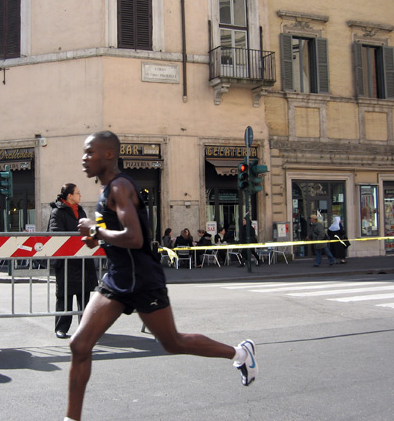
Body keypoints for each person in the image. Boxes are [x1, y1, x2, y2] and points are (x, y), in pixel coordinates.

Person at [66, 131, 257, 421]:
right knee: (79, 345)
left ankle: (240, 353)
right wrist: (98, 239)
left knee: (172, 342)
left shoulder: (120, 187)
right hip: (117, 279)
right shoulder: (106, 192)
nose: (84, 158)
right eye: (84, 152)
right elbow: (113, 235)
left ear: (108, 154)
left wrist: (94, 231)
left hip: (143, 279)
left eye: (90, 152)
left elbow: (134, 237)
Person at [48, 183, 98, 339]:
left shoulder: (81, 210)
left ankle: (85, 327)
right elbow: (57, 235)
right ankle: (61, 327)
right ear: (69, 196)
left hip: (83, 259)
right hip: (67, 262)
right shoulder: (57, 212)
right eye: (78, 193)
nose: (80, 195)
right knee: (65, 295)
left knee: (84, 295)